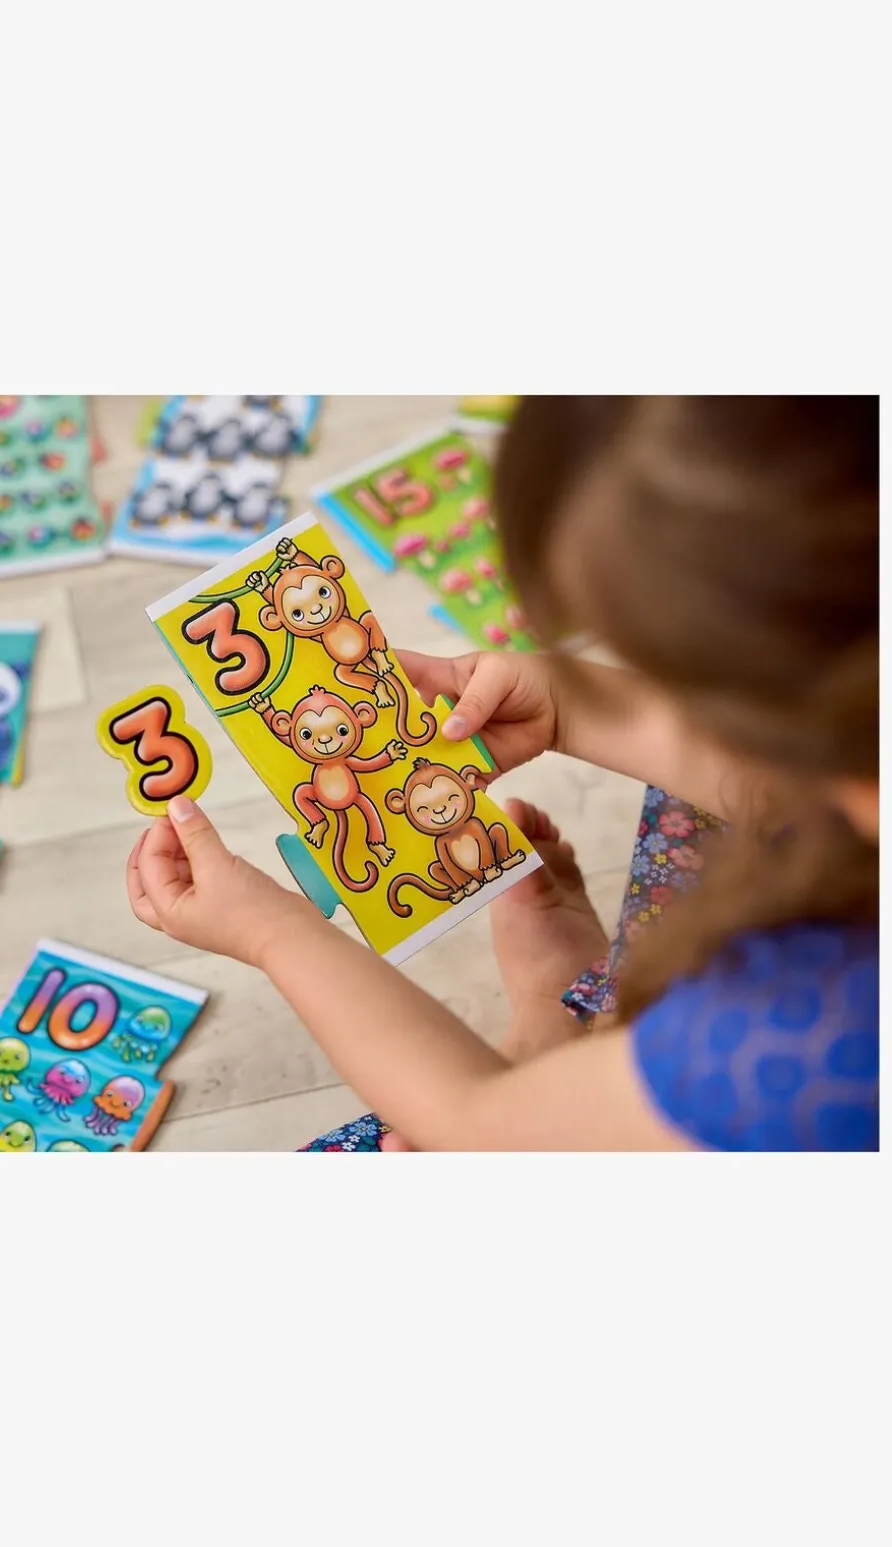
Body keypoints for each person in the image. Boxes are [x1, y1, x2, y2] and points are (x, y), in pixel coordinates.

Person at [126, 397, 878, 1151]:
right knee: (704, 803)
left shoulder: (798, 1035)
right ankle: (579, 1027)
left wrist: (270, 930)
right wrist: (566, 712)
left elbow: (481, 1128)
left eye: (674, 677)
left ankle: (577, 1037)